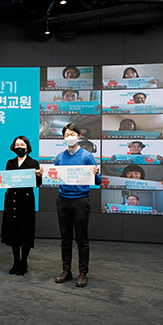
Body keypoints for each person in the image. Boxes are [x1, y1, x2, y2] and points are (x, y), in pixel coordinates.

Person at [54, 123, 101, 288]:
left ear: (79, 136)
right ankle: (66, 271)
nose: (70, 137)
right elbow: (55, 178)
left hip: (80, 200)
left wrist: (96, 173)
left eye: (72, 134)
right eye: (66, 134)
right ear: (63, 137)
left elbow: (97, 181)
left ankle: (82, 273)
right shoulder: (59, 157)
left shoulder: (87, 156)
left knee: (82, 239)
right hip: (62, 200)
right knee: (65, 238)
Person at [1, 136, 42, 275]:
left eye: (22, 144)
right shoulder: (10, 163)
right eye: (17, 144)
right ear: (13, 147)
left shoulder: (33, 163)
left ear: (27, 147)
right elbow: (6, 180)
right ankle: (15, 261)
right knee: (13, 232)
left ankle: (24, 262)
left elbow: (37, 184)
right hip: (11, 200)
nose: (19, 147)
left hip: (26, 202)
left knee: (25, 232)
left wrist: (39, 176)